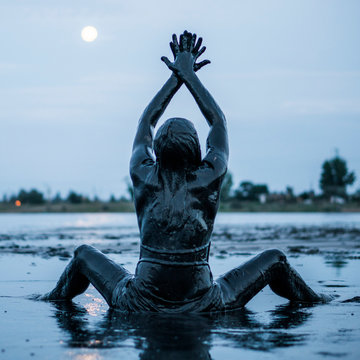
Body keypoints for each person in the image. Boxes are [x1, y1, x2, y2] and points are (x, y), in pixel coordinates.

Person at [39, 31, 332, 312]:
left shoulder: (142, 173)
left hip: (137, 300)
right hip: (205, 302)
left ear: (157, 151)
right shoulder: (209, 175)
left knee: (82, 255)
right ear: (196, 152)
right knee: (276, 260)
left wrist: (174, 77)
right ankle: (316, 301)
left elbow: (146, 123)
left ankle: (53, 299)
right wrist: (189, 74)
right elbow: (218, 123)